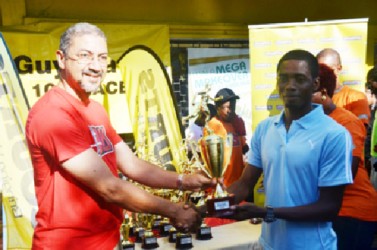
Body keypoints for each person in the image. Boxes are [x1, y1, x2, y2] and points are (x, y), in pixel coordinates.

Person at [25, 22, 215, 249]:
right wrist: (173, 211)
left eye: (102, 57)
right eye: (85, 55)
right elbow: (110, 188)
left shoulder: (95, 110)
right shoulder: (52, 114)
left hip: (107, 240)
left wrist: (184, 181)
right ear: (61, 58)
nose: (96, 66)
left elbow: (132, 165)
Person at [226, 49, 353, 249]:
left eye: (299, 79)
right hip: (269, 244)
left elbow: (329, 207)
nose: (290, 86)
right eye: (283, 78)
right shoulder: (265, 128)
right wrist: (205, 208)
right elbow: (244, 183)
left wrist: (268, 212)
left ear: (315, 84)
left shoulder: (334, 135)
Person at [313, 63, 377, 250]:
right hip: (326, 210)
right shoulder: (306, 123)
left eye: (307, 92)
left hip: (352, 212)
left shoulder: (347, 122)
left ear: (323, 92)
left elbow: (346, 171)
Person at [203, 88, 249, 188]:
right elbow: (207, 158)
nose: (231, 110)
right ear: (218, 108)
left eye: (233, 106)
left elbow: (244, 150)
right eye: (227, 107)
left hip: (238, 184)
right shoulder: (212, 126)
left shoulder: (237, 122)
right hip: (222, 184)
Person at [316, 48, 370, 127]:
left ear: (339, 69)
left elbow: (360, 129)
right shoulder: (314, 98)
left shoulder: (355, 97)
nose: (323, 73)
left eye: (327, 69)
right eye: (319, 70)